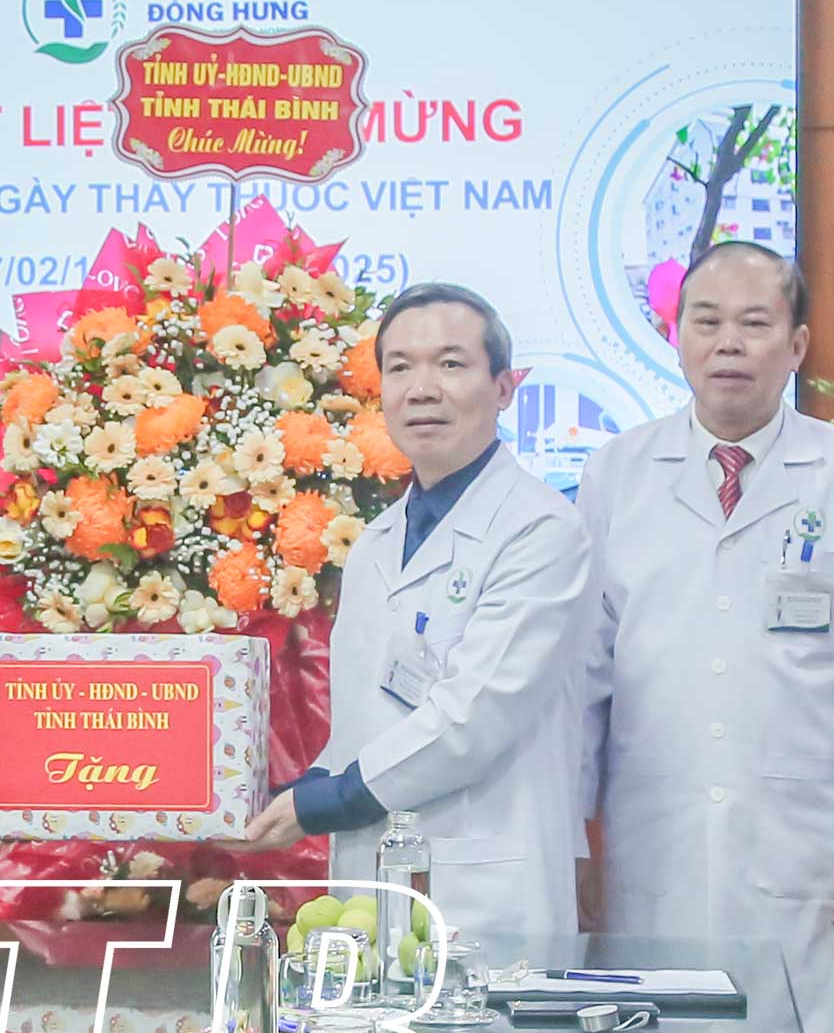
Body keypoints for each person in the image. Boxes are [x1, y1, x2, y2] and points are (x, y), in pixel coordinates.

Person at [580, 242, 834, 1033]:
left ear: (798, 343)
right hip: (656, 850)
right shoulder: (618, 473)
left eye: (754, 323)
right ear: (676, 337)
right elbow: (585, 674)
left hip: (806, 860)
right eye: (707, 321)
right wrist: (566, 832)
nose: (728, 343)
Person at [239, 282, 590, 935]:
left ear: (504, 387)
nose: (422, 389)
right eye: (400, 367)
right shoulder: (377, 539)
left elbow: (472, 719)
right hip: (371, 883)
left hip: (484, 888)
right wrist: (268, 797)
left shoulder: (540, 529)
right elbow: (361, 722)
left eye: (451, 364)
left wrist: (325, 803)